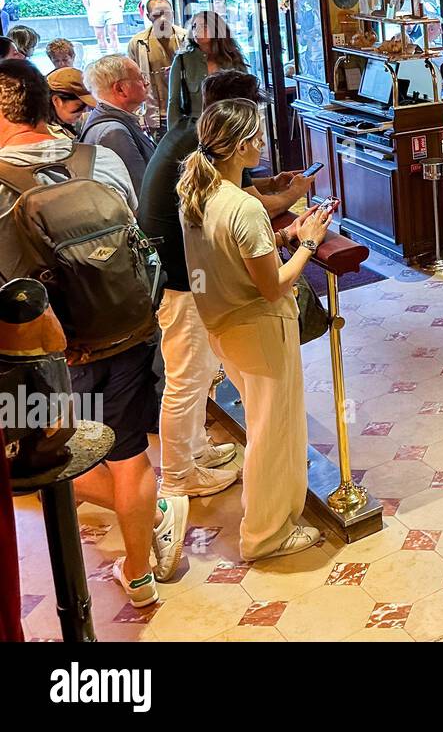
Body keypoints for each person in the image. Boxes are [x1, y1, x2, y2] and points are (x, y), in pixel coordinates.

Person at [0, 60, 182, 606]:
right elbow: (132, 239)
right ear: (46, 103)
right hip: (125, 330)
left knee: (33, 458)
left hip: (39, 354)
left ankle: (143, 524)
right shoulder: (96, 158)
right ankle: (140, 570)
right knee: (128, 453)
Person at [140, 70, 315, 500]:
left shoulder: (199, 139)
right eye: (256, 133)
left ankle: (195, 449)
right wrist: (304, 231)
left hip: (188, 275)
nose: (261, 143)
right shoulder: (207, 163)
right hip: (182, 281)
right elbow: (250, 212)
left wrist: (274, 199)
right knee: (185, 377)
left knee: (197, 373)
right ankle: (179, 473)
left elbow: (245, 198)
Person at [178, 98, 331, 561]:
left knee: (268, 423)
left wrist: (281, 238)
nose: (263, 144)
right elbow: (273, 286)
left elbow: (233, 260)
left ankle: (276, 519)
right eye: (259, 137)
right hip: (259, 327)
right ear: (243, 145)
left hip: (225, 326)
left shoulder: (196, 193)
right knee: (272, 430)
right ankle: (264, 535)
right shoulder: (243, 206)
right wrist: (308, 242)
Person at [81, 54, 156, 200]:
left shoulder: (106, 120)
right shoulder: (114, 132)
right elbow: (141, 192)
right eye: (141, 78)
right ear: (120, 89)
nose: (146, 83)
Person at [166, 10, 249, 129]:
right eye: (194, 26)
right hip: (196, 129)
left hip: (230, 125)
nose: (197, 31)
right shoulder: (182, 60)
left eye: (203, 26)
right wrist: (173, 135)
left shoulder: (232, 58)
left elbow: (246, 96)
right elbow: (173, 101)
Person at [128, 0, 183, 136]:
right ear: (148, 17)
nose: (163, 19)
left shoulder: (187, 38)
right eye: (157, 15)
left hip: (185, 113)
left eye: (166, 13)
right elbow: (132, 80)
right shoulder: (138, 43)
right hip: (157, 115)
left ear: (173, 13)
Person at [46, 66, 95, 141]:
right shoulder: (52, 138)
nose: (84, 111)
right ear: (57, 101)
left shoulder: (65, 120)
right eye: (80, 105)